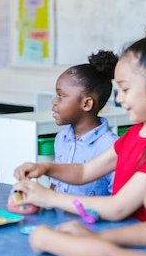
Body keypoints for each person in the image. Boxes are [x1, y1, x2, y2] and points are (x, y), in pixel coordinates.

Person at [13, 24, 146, 221]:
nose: (119, 99)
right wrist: (45, 168)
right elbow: (85, 171)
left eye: (125, 90)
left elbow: (117, 207)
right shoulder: (136, 133)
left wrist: (50, 198)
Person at [47, 50, 119, 196]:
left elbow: (116, 199)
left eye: (61, 95)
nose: (54, 101)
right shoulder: (61, 139)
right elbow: (55, 185)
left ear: (86, 103)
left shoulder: (111, 147)